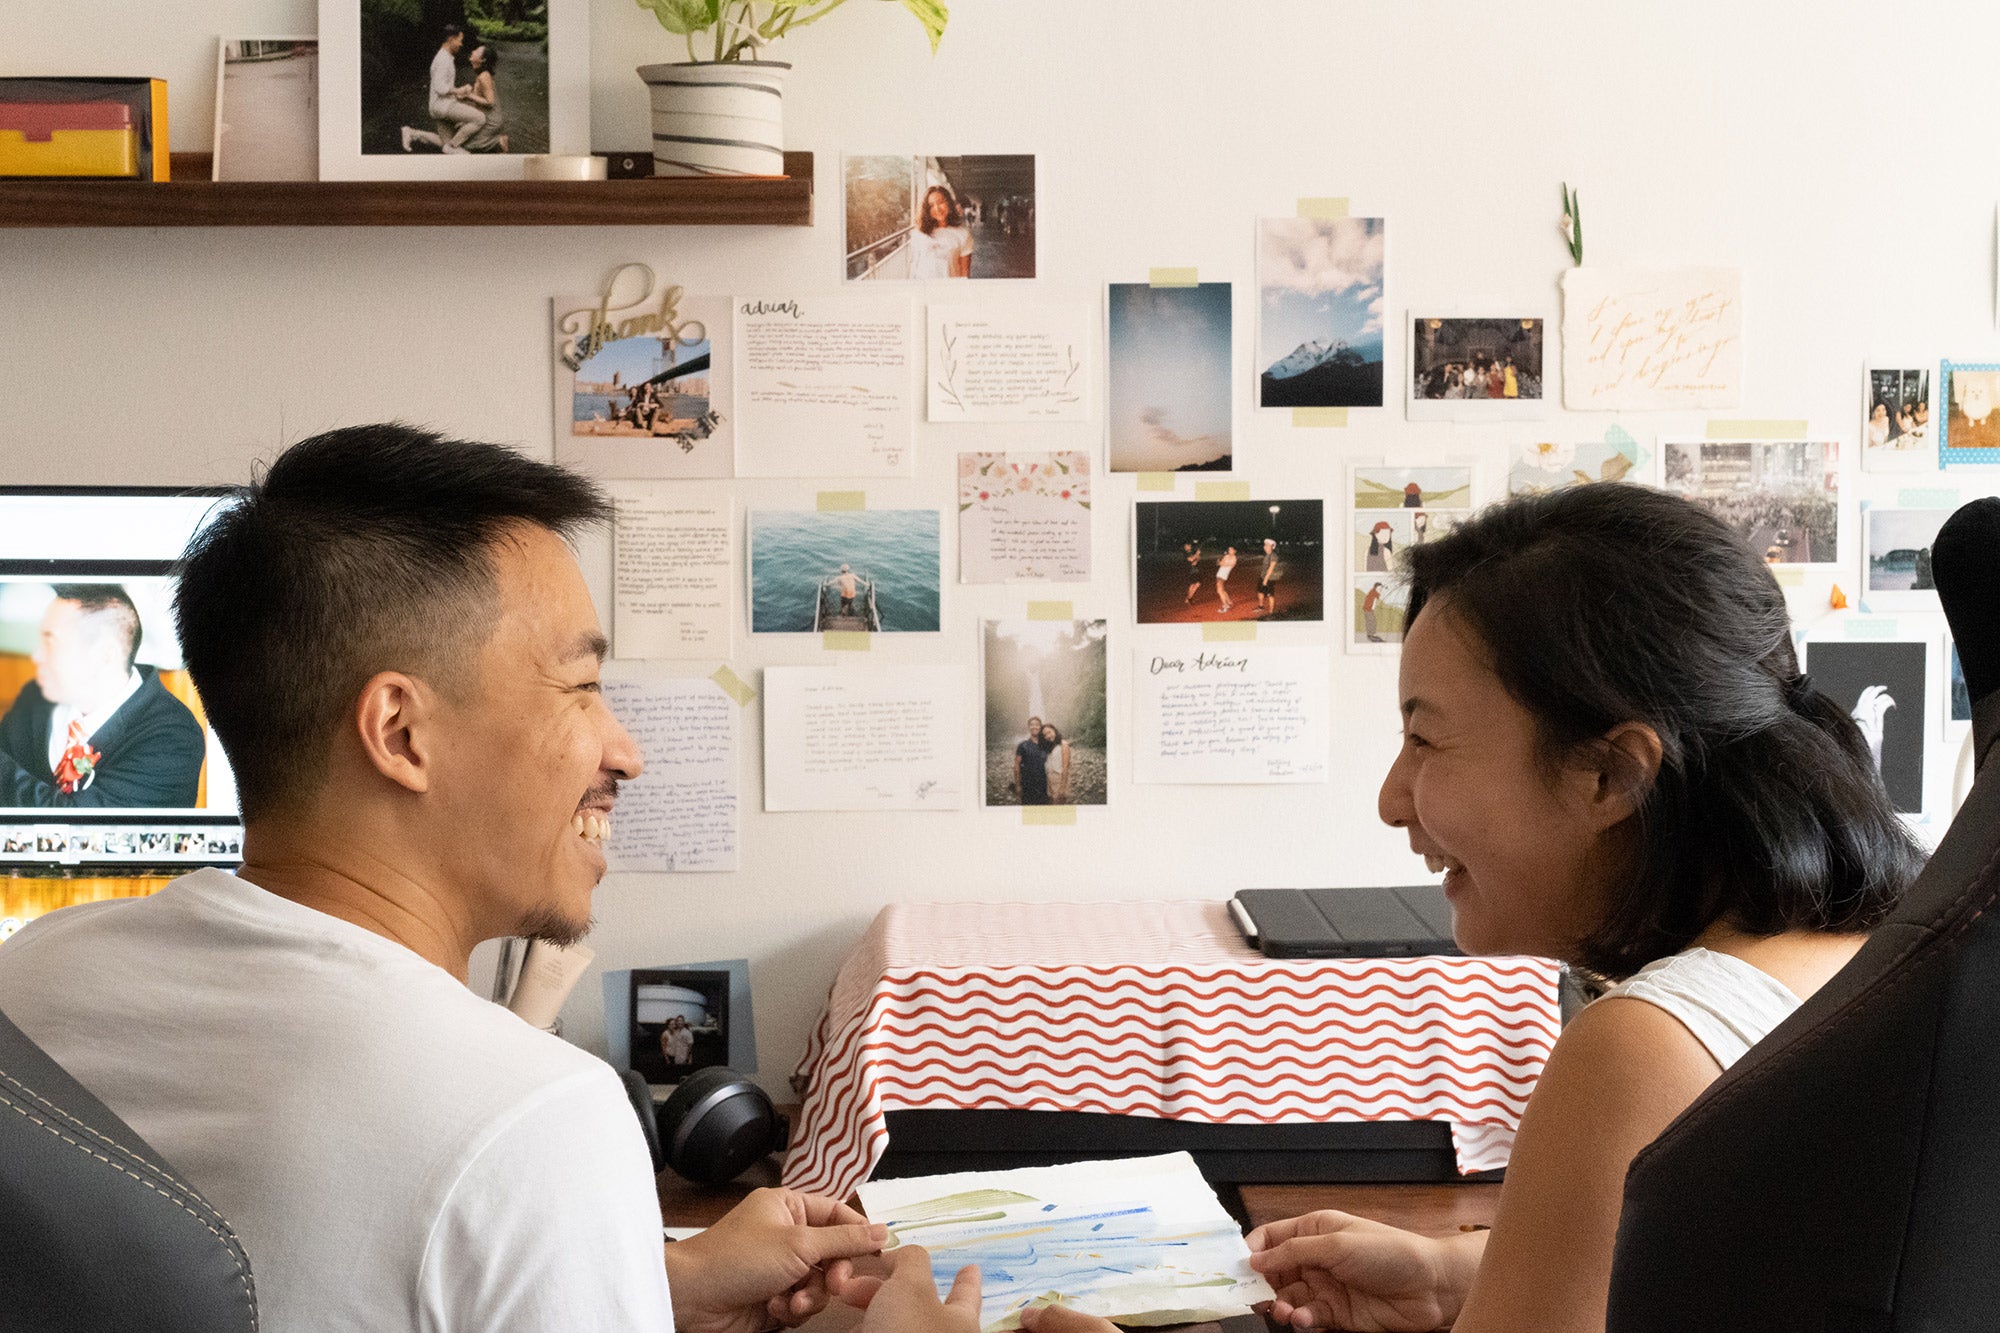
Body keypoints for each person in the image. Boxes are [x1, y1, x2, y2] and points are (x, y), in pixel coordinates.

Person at [0, 425, 887, 1330]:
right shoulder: (533, 1122)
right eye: (582, 686)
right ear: (402, 734)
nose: (626, 751)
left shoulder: (30, 979)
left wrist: (642, 1283)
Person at [1240, 483, 1923, 1333]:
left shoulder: (1644, 1046)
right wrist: (1460, 1274)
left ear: (1610, 775)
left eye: (1425, 739)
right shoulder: (1878, 950)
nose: (1392, 798)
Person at [0, 584, 205, 808]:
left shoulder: (173, 736)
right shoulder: (36, 702)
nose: (37, 655)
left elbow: (78, 828)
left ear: (105, 655)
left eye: (52, 643)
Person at [400, 24, 483, 154]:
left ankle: (411, 132)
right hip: (443, 106)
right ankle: (454, 145)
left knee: (444, 143)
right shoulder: (443, 59)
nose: (461, 44)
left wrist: (457, 94)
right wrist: (458, 91)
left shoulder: (445, 57)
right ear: (451, 39)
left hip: (438, 106)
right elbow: (440, 87)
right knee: (479, 118)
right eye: (459, 40)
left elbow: (443, 86)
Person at [907, 184, 973, 279]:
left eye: (940, 202)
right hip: (923, 290)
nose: (937, 208)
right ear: (926, 209)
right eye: (931, 205)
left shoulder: (963, 234)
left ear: (949, 203)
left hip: (949, 290)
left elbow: (964, 272)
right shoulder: (919, 233)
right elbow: (914, 266)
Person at [456, 44, 510, 153]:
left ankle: (498, 140)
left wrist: (468, 95)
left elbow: (490, 102)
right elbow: (479, 98)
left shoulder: (484, 76)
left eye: (477, 50)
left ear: (482, 59)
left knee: (467, 147)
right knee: (460, 130)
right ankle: (494, 139)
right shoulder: (481, 74)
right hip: (484, 117)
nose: (473, 51)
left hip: (491, 121)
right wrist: (464, 96)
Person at [1013, 714, 1048, 805]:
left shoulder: (1046, 745)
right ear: (1028, 727)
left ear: (1040, 727)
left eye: (1037, 724)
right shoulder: (1022, 746)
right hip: (1027, 785)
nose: (1034, 727)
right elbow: (1017, 766)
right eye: (1032, 724)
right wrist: (1017, 785)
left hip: (1044, 785)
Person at [1040, 723, 1071, 804]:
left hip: (1059, 779)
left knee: (1058, 806)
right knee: (1051, 805)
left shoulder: (1063, 744)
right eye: (1045, 735)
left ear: (1054, 730)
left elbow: (1065, 767)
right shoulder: (1049, 746)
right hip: (1049, 780)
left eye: (1049, 732)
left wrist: (1062, 787)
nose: (1048, 736)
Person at [1257, 537, 1283, 617]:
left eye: (1268, 545)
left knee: (1270, 594)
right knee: (1260, 592)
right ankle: (1261, 607)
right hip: (1263, 576)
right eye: (1265, 545)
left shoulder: (1273, 556)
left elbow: (1271, 569)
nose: (1265, 547)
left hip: (1270, 578)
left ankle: (1271, 612)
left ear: (1272, 547)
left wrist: (1265, 580)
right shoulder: (1267, 555)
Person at [1215, 545, 1238, 613]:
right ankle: (1229, 602)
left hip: (1223, 575)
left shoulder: (1234, 558)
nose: (1229, 551)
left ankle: (1225, 606)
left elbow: (1228, 564)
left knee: (1219, 591)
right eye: (1229, 550)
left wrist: (1221, 562)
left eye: (1231, 549)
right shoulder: (1226, 556)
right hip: (1219, 574)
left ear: (1234, 551)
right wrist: (1219, 561)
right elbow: (1219, 563)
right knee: (1221, 590)